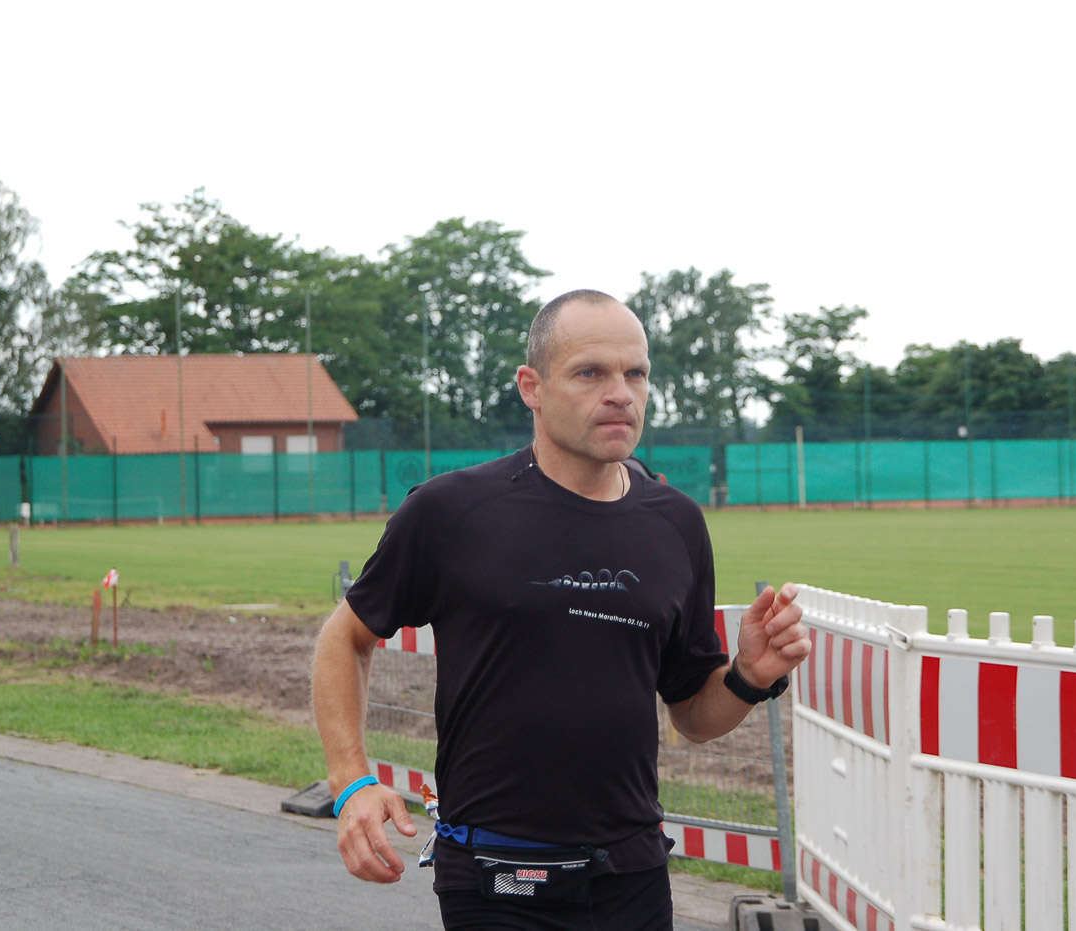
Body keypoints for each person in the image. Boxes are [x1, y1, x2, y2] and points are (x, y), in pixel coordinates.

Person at [312, 289, 810, 930]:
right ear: (533, 387)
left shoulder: (676, 524)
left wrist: (749, 675)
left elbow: (693, 713)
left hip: (633, 875)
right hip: (496, 878)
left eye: (635, 374)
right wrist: (351, 781)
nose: (620, 394)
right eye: (590, 373)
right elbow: (345, 637)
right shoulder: (451, 511)